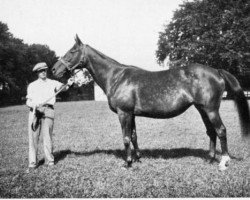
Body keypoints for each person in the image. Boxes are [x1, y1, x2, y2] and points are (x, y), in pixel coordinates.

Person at [26, 62, 74, 170]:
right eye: (40, 71)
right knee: (33, 138)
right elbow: (28, 102)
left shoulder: (53, 83)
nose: (43, 72)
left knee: (47, 137)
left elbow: (63, 88)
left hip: (48, 110)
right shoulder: (32, 85)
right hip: (34, 111)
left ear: (46, 71)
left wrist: (69, 83)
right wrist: (34, 105)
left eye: (44, 70)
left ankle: (49, 161)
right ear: (37, 73)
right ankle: (32, 163)